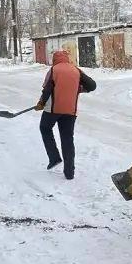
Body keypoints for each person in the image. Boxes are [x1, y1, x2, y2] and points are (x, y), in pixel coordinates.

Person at [35, 50, 96, 180]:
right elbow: (92, 86)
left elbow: (47, 90)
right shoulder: (76, 70)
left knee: (45, 128)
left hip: (53, 109)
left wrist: (41, 103)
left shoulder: (54, 70)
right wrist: (79, 89)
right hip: (70, 111)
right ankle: (69, 172)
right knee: (67, 139)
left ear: (55, 59)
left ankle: (54, 157)